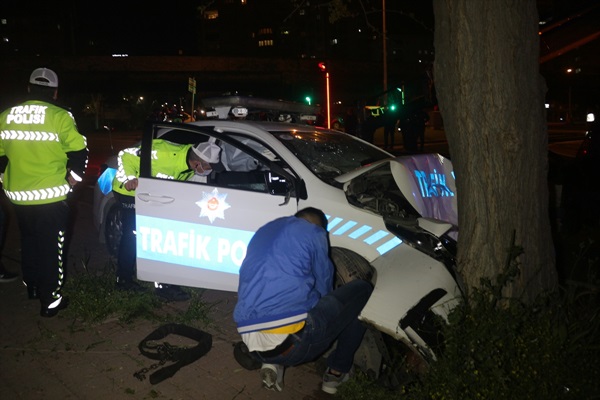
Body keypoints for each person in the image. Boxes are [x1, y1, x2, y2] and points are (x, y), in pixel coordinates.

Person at [233, 207, 373, 395]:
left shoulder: (265, 230)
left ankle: (273, 361)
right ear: (320, 228)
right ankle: (336, 372)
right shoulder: (313, 233)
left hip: (250, 341)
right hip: (295, 345)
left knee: (282, 307)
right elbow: (324, 283)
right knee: (361, 292)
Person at [0, 67, 88, 317]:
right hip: (51, 196)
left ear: (29, 88)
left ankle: (33, 287)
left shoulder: (6, 115)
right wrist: (73, 179)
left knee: (29, 241)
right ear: (55, 92)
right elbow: (80, 151)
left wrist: (4, 178)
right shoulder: (61, 116)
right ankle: (51, 301)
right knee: (52, 247)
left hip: (18, 196)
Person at [111, 139, 222, 301]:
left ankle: (163, 283)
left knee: (161, 235)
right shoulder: (165, 154)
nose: (209, 171)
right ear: (198, 162)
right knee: (133, 235)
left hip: (155, 196)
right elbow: (125, 155)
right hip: (130, 192)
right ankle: (124, 280)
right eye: (208, 167)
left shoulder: (191, 166)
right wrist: (129, 179)